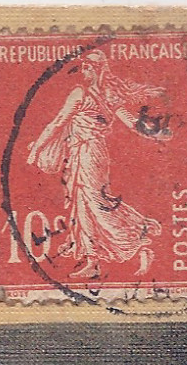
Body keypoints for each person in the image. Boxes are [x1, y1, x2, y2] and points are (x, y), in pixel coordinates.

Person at [25, 49, 170, 280]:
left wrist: (36, 150)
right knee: (85, 204)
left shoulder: (81, 94)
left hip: (87, 153)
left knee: (94, 204)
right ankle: (93, 260)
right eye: (84, 67)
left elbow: (57, 124)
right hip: (86, 153)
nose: (85, 70)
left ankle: (139, 245)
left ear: (98, 70)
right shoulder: (106, 95)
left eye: (89, 67)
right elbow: (132, 122)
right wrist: (155, 133)